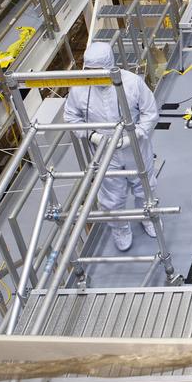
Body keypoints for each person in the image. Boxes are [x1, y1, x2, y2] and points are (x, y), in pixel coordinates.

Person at [63, 41, 159, 252]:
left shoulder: (132, 83)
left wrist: (135, 135)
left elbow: (150, 113)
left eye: (99, 71)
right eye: (91, 71)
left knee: (145, 187)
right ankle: (120, 228)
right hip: (104, 151)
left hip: (134, 147)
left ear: (110, 66)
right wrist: (92, 135)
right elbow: (71, 116)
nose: (95, 76)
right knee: (111, 196)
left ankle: (147, 217)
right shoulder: (80, 89)